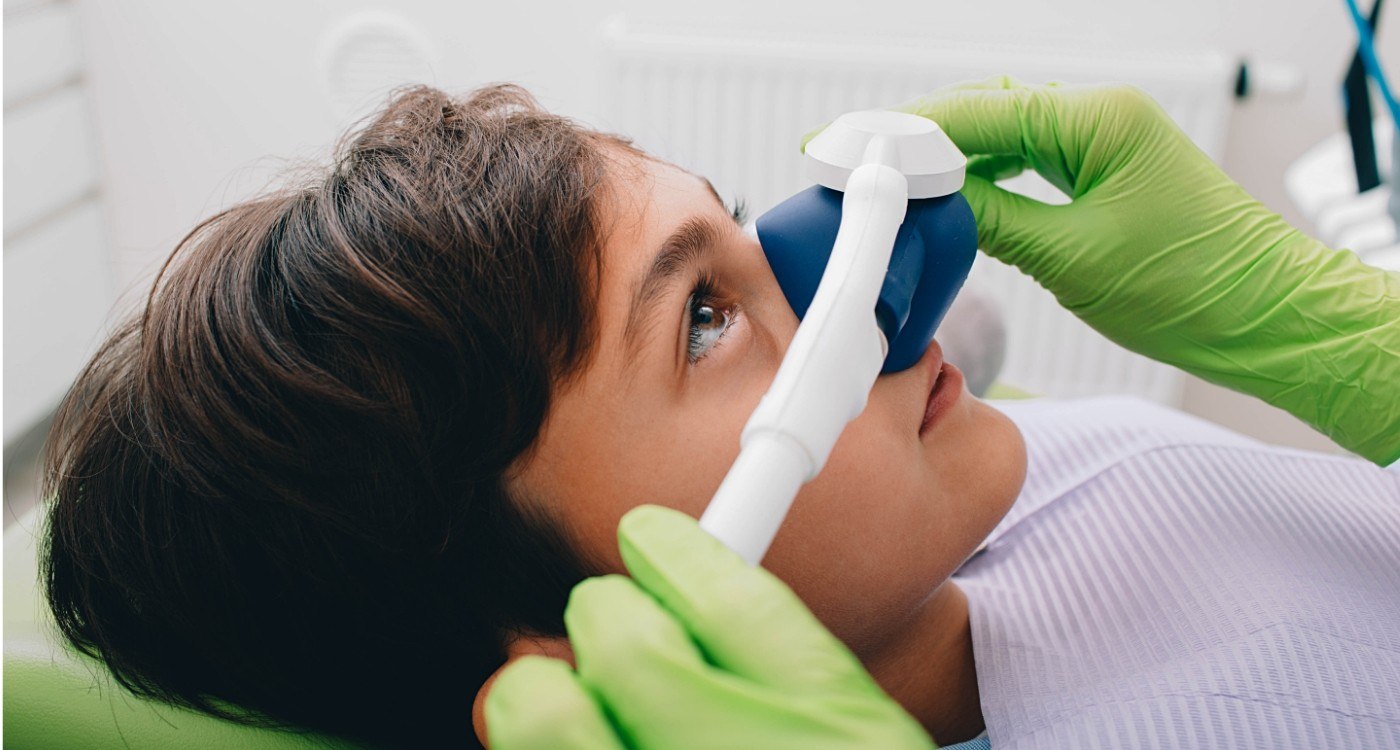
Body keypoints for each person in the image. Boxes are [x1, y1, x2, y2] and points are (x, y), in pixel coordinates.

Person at [38, 80, 1397, 750]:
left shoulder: (1008, 488)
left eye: (738, 230)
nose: (852, 281)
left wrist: (1354, 346)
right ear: (576, 637)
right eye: (700, 315)